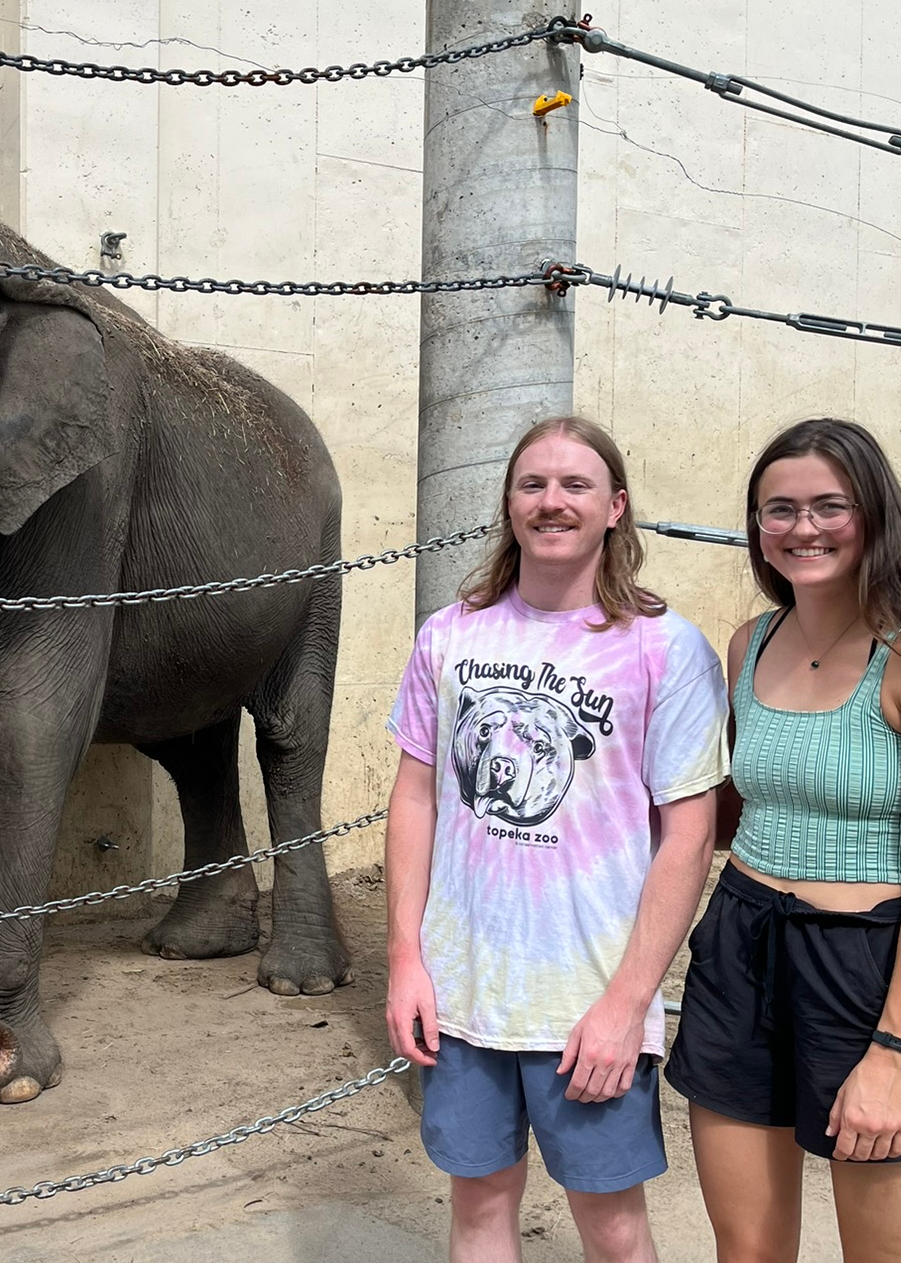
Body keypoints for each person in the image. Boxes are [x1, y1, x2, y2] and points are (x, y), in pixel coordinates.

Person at [385, 416, 729, 1263]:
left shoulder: (663, 647)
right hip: (464, 989)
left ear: (615, 506)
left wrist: (627, 1004)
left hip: (589, 998)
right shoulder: (451, 635)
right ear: (508, 504)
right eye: (533, 484)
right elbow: (416, 797)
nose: (552, 501)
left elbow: (689, 835)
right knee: (478, 1208)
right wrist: (405, 958)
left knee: (612, 1230)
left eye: (575, 485)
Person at [666, 418, 901, 1263]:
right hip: (740, 943)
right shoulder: (751, 642)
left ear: (874, 514)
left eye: (829, 505)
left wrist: (894, 1053)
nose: (802, 527)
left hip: (869, 965)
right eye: (777, 509)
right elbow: (737, 813)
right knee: (746, 1249)